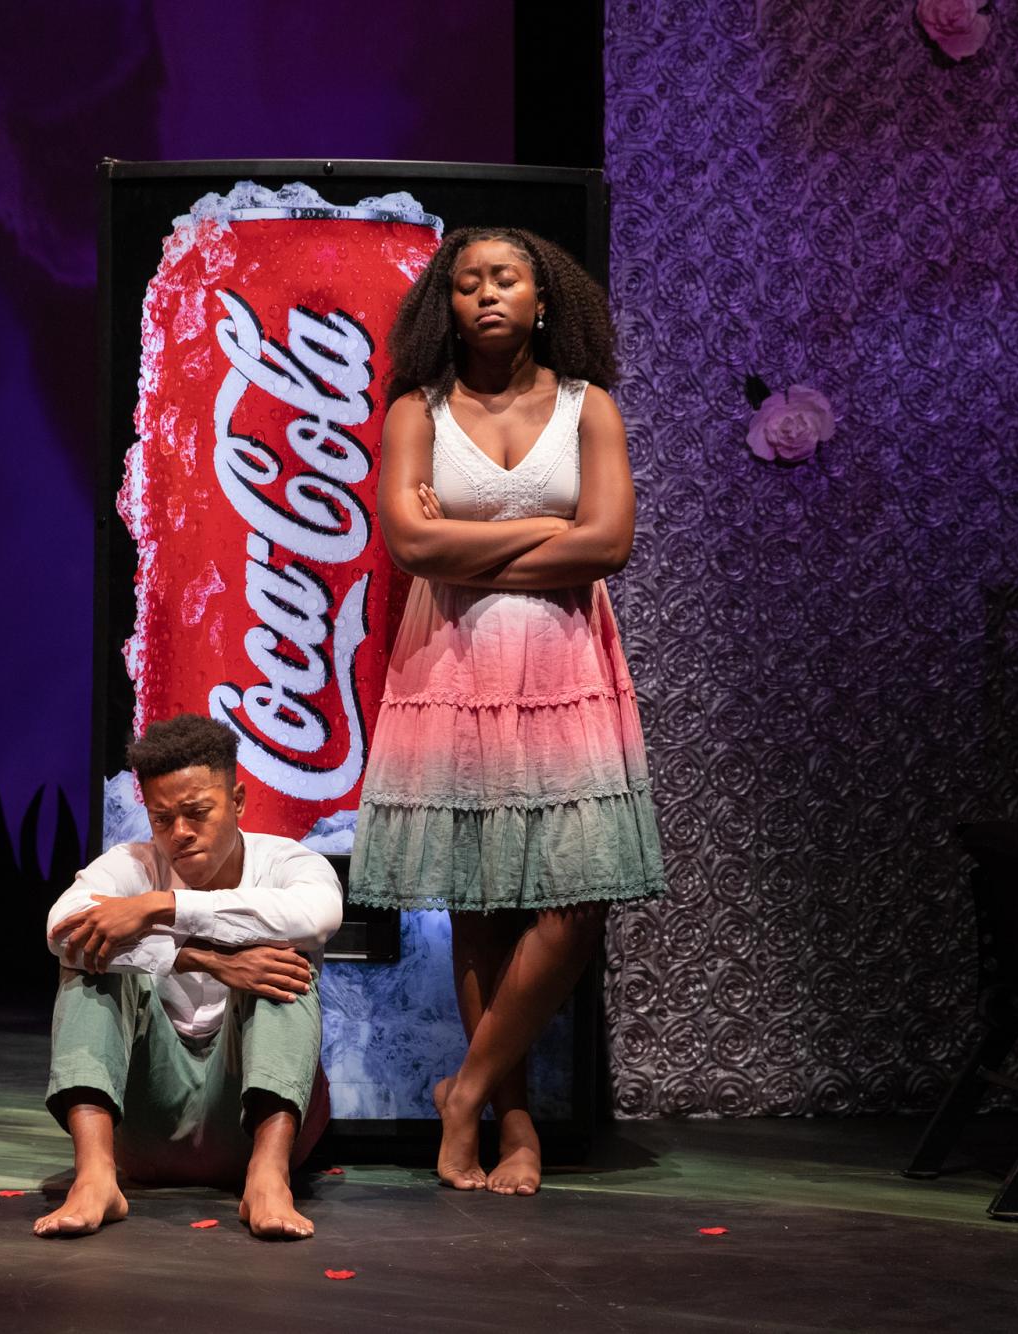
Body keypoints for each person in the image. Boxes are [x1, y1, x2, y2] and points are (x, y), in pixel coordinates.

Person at [350, 227, 665, 1195]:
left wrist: (469, 536)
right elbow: (411, 547)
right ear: (443, 303)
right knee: (478, 900)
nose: (485, 294)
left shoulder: (587, 408)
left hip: (562, 667)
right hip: (452, 666)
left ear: (541, 297)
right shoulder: (416, 409)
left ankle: (466, 1087)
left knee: (573, 902)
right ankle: (512, 1120)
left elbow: (607, 542)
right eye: (466, 282)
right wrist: (542, 527)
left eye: (505, 278)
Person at [35, 712, 342, 1240]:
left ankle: (268, 1180)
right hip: (147, 1126)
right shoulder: (129, 864)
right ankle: (95, 1177)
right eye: (161, 819)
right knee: (89, 957)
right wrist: (207, 958)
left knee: (282, 962)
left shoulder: (288, 862)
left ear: (239, 801)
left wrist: (164, 907)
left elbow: (318, 916)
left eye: (197, 812)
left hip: (250, 1121)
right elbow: (60, 930)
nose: (179, 833)